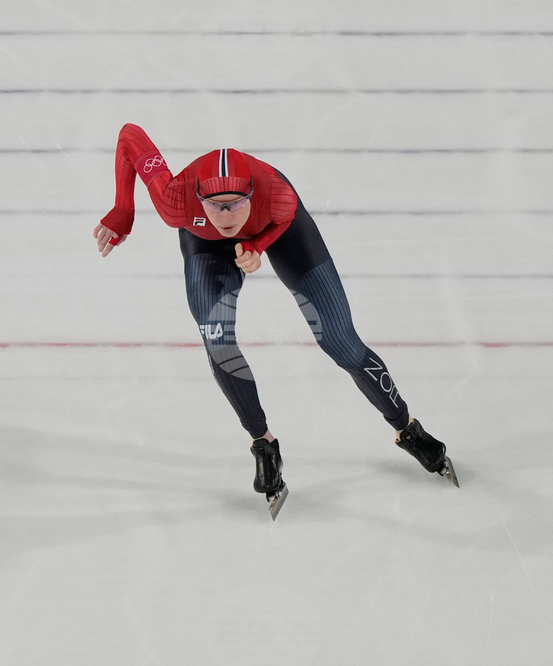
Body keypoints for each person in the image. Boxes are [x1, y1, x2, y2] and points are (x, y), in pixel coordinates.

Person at [94, 124, 458, 517]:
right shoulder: (175, 201)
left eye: (235, 204)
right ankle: (263, 444)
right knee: (217, 341)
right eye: (215, 205)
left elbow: (279, 222)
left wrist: (257, 245)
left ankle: (408, 428)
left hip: (278, 229)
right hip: (204, 244)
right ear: (198, 198)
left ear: (252, 194)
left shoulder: (277, 195)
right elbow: (130, 136)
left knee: (341, 342)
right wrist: (124, 208)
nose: (226, 215)